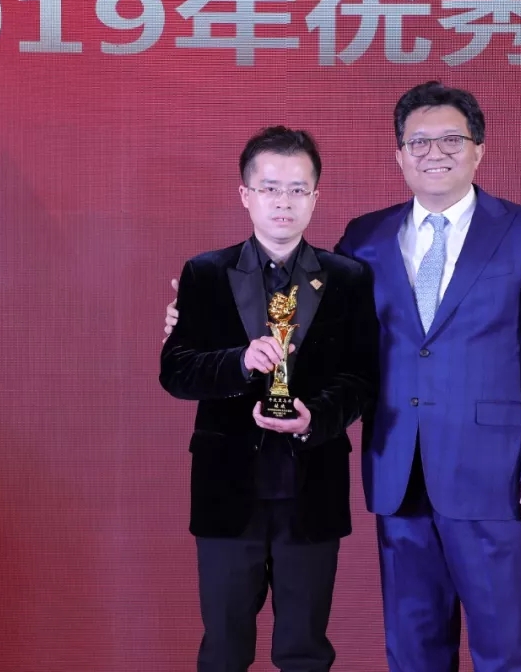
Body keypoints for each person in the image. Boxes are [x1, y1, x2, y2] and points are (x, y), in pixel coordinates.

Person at [164, 82, 521, 672]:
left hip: (493, 474)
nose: (434, 153)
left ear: (479, 149)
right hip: (397, 469)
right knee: (412, 648)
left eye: (450, 140)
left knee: (506, 647)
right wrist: (193, 319)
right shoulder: (366, 238)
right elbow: (308, 315)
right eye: (418, 142)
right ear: (399, 156)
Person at [159, 125, 378, 672]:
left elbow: (362, 377)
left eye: (298, 189)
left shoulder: (349, 278)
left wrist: (315, 417)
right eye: (270, 188)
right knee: (224, 648)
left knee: (305, 649)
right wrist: (239, 361)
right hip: (226, 488)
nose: (284, 201)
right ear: (246, 194)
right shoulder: (204, 273)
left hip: (312, 487)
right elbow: (176, 371)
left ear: (315, 197)